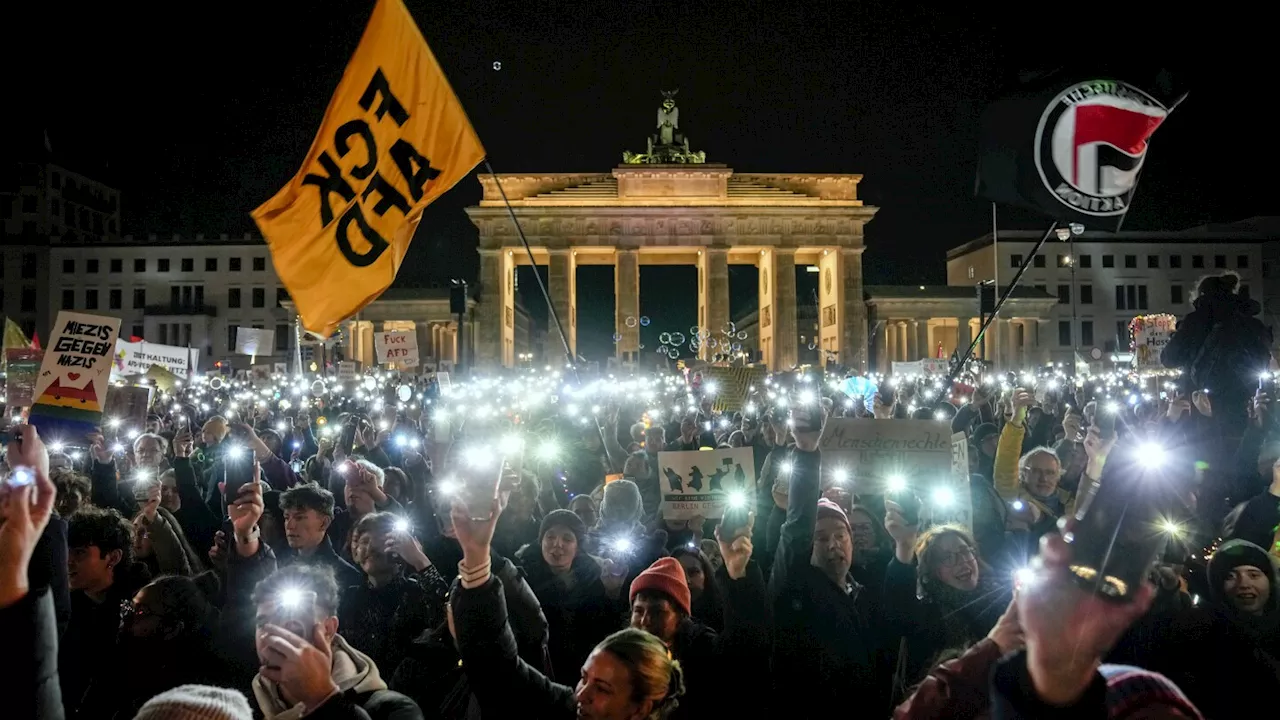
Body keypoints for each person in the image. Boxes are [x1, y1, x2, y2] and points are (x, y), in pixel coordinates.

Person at [448, 494, 686, 719]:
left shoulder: (593, 585)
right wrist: (477, 555)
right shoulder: (569, 707)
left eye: (602, 688)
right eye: (584, 678)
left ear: (640, 709)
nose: (580, 694)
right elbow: (499, 667)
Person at [250, 564, 423, 719]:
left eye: (292, 623)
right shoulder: (243, 709)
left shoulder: (392, 710)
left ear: (329, 629)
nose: (271, 635)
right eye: (263, 623)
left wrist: (323, 699)